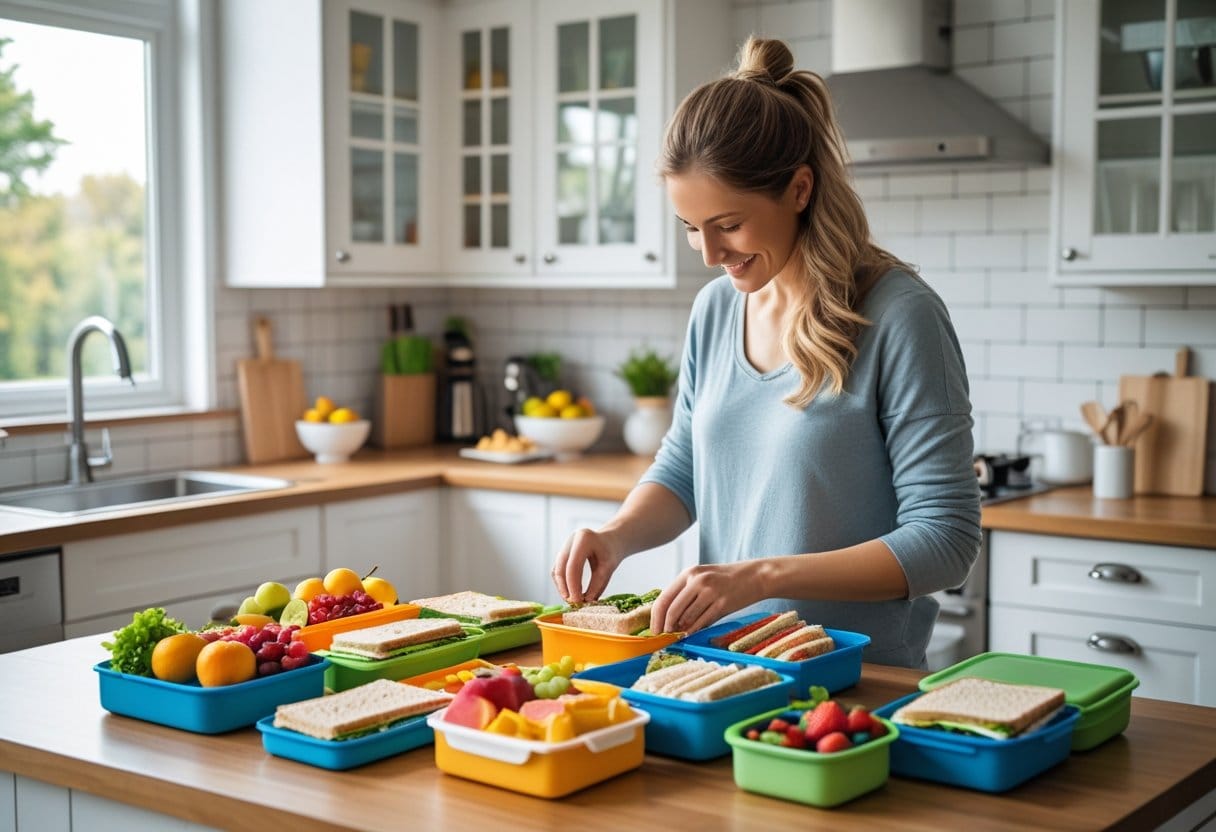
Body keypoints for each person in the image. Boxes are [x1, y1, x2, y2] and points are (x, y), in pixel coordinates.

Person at [551, 37, 981, 669]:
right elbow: (683, 470)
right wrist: (616, 537)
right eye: (691, 228)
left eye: (728, 224)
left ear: (799, 189)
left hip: (855, 683)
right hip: (721, 669)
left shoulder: (899, 315)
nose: (708, 254)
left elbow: (946, 539)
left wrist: (762, 577)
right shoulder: (716, 309)